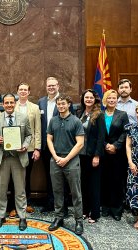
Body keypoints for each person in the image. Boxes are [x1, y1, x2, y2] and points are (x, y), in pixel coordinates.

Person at [0, 93, 31, 231]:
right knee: (1, 190)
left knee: (20, 190)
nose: (9, 105)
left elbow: (29, 135)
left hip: (18, 158)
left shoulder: (24, 117)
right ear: (2, 104)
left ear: (15, 103)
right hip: (3, 158)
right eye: (6, 103)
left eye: (11, 102)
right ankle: (1, 216)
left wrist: (25, 145)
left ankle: (22, 217)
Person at [47, 95, 85, 235]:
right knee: (57, 191)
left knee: (75, 192)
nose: (61, 106)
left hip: (71, 161)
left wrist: (66, 159)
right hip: (56, 160)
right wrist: (55, 156)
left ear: (69, 104)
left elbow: (80, 143)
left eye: (63, 104)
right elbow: (49, 139)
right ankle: (58, 217)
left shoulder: (76, 121)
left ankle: (79, 221)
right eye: (58, 104)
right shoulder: (53, 120)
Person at [38, 76, 73, 213]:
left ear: (58, 86)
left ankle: (63, 205)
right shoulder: (41, 102)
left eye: (53, 85)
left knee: (62, 178)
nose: (51, 88)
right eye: (49, 86)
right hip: (46, 146)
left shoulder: (63, 101)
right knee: (49, 176)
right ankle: (50, 203)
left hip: (61, 146)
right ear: (46, 87)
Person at [10, 82, 41, 216]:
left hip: (29, 149)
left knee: (26, 177)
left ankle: (25, 203)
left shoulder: (35, 108)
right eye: (20, 89)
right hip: (14, 148)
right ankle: (13, 206)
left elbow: (37, 129)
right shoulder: (11, 105)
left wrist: (37, 148)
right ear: (17, 92)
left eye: (25, 90)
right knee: (13, 178)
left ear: (29, 92)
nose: (23, 92)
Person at [76, 89, 105, 224]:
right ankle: (84, 210)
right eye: (86, 97)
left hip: (92, 154)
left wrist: (97, 155)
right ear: (83, 99)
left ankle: (94, 213)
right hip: (80, 154)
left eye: (91, 98)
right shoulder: (79, 113)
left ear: (95, 100)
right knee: (83, 184)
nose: (88, 100)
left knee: (94, 184)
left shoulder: (99, 115)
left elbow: (101, 137)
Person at [101, 89, 129, 221]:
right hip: (103, 152)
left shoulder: (122, 115)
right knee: (105, 180)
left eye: (114, 98)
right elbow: (97, 133)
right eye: (109, 98)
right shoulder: (99, 114)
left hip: (118, 154)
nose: (111, 100)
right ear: (105, 100)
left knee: (117, 180)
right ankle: (106, 207)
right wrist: (106, 145)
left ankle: (117, 209)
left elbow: (125, 132)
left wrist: (115, 146)